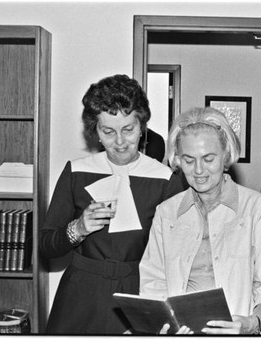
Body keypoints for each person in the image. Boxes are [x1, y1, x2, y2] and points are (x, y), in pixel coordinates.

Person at [39, 74, 185, 334]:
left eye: (128, 130)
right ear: (95, 131)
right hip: (80, 295)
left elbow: (177, 258)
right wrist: (77, 229)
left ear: (142, 127)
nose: (119, 142)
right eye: (108, 131)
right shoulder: (76, 171)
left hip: (137, 292)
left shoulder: (165, 179)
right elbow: (46, 247)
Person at [139, 107, 261, 334]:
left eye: (208, 159)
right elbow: (153, 284)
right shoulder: (166, 213)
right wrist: (162, 326)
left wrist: (252, 323)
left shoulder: (255, 208)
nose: (199, 170)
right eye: (189, 160)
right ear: (177, 160)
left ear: (226, 155)